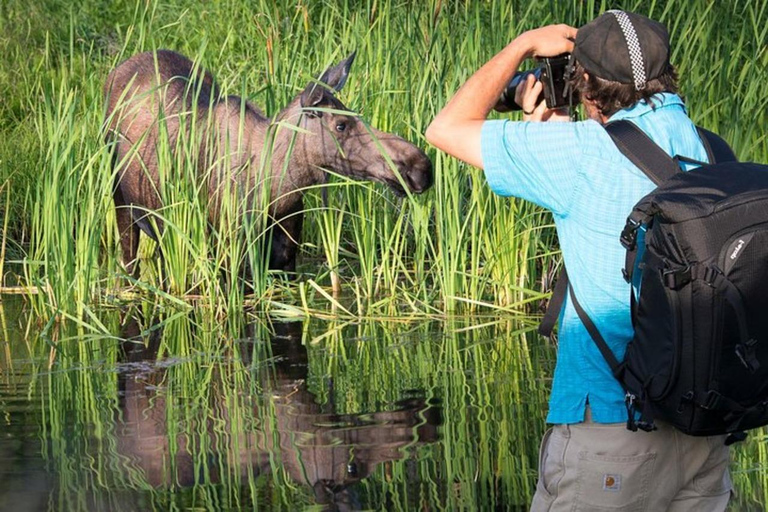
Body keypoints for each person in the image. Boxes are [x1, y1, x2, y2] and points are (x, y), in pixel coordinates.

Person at [426, 11, 732, 512]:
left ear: (584, 81)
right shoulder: (711, 151)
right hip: (704, 434)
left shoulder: (580, 153)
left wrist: (523, 45)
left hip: (613, 432)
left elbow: (446, 128)